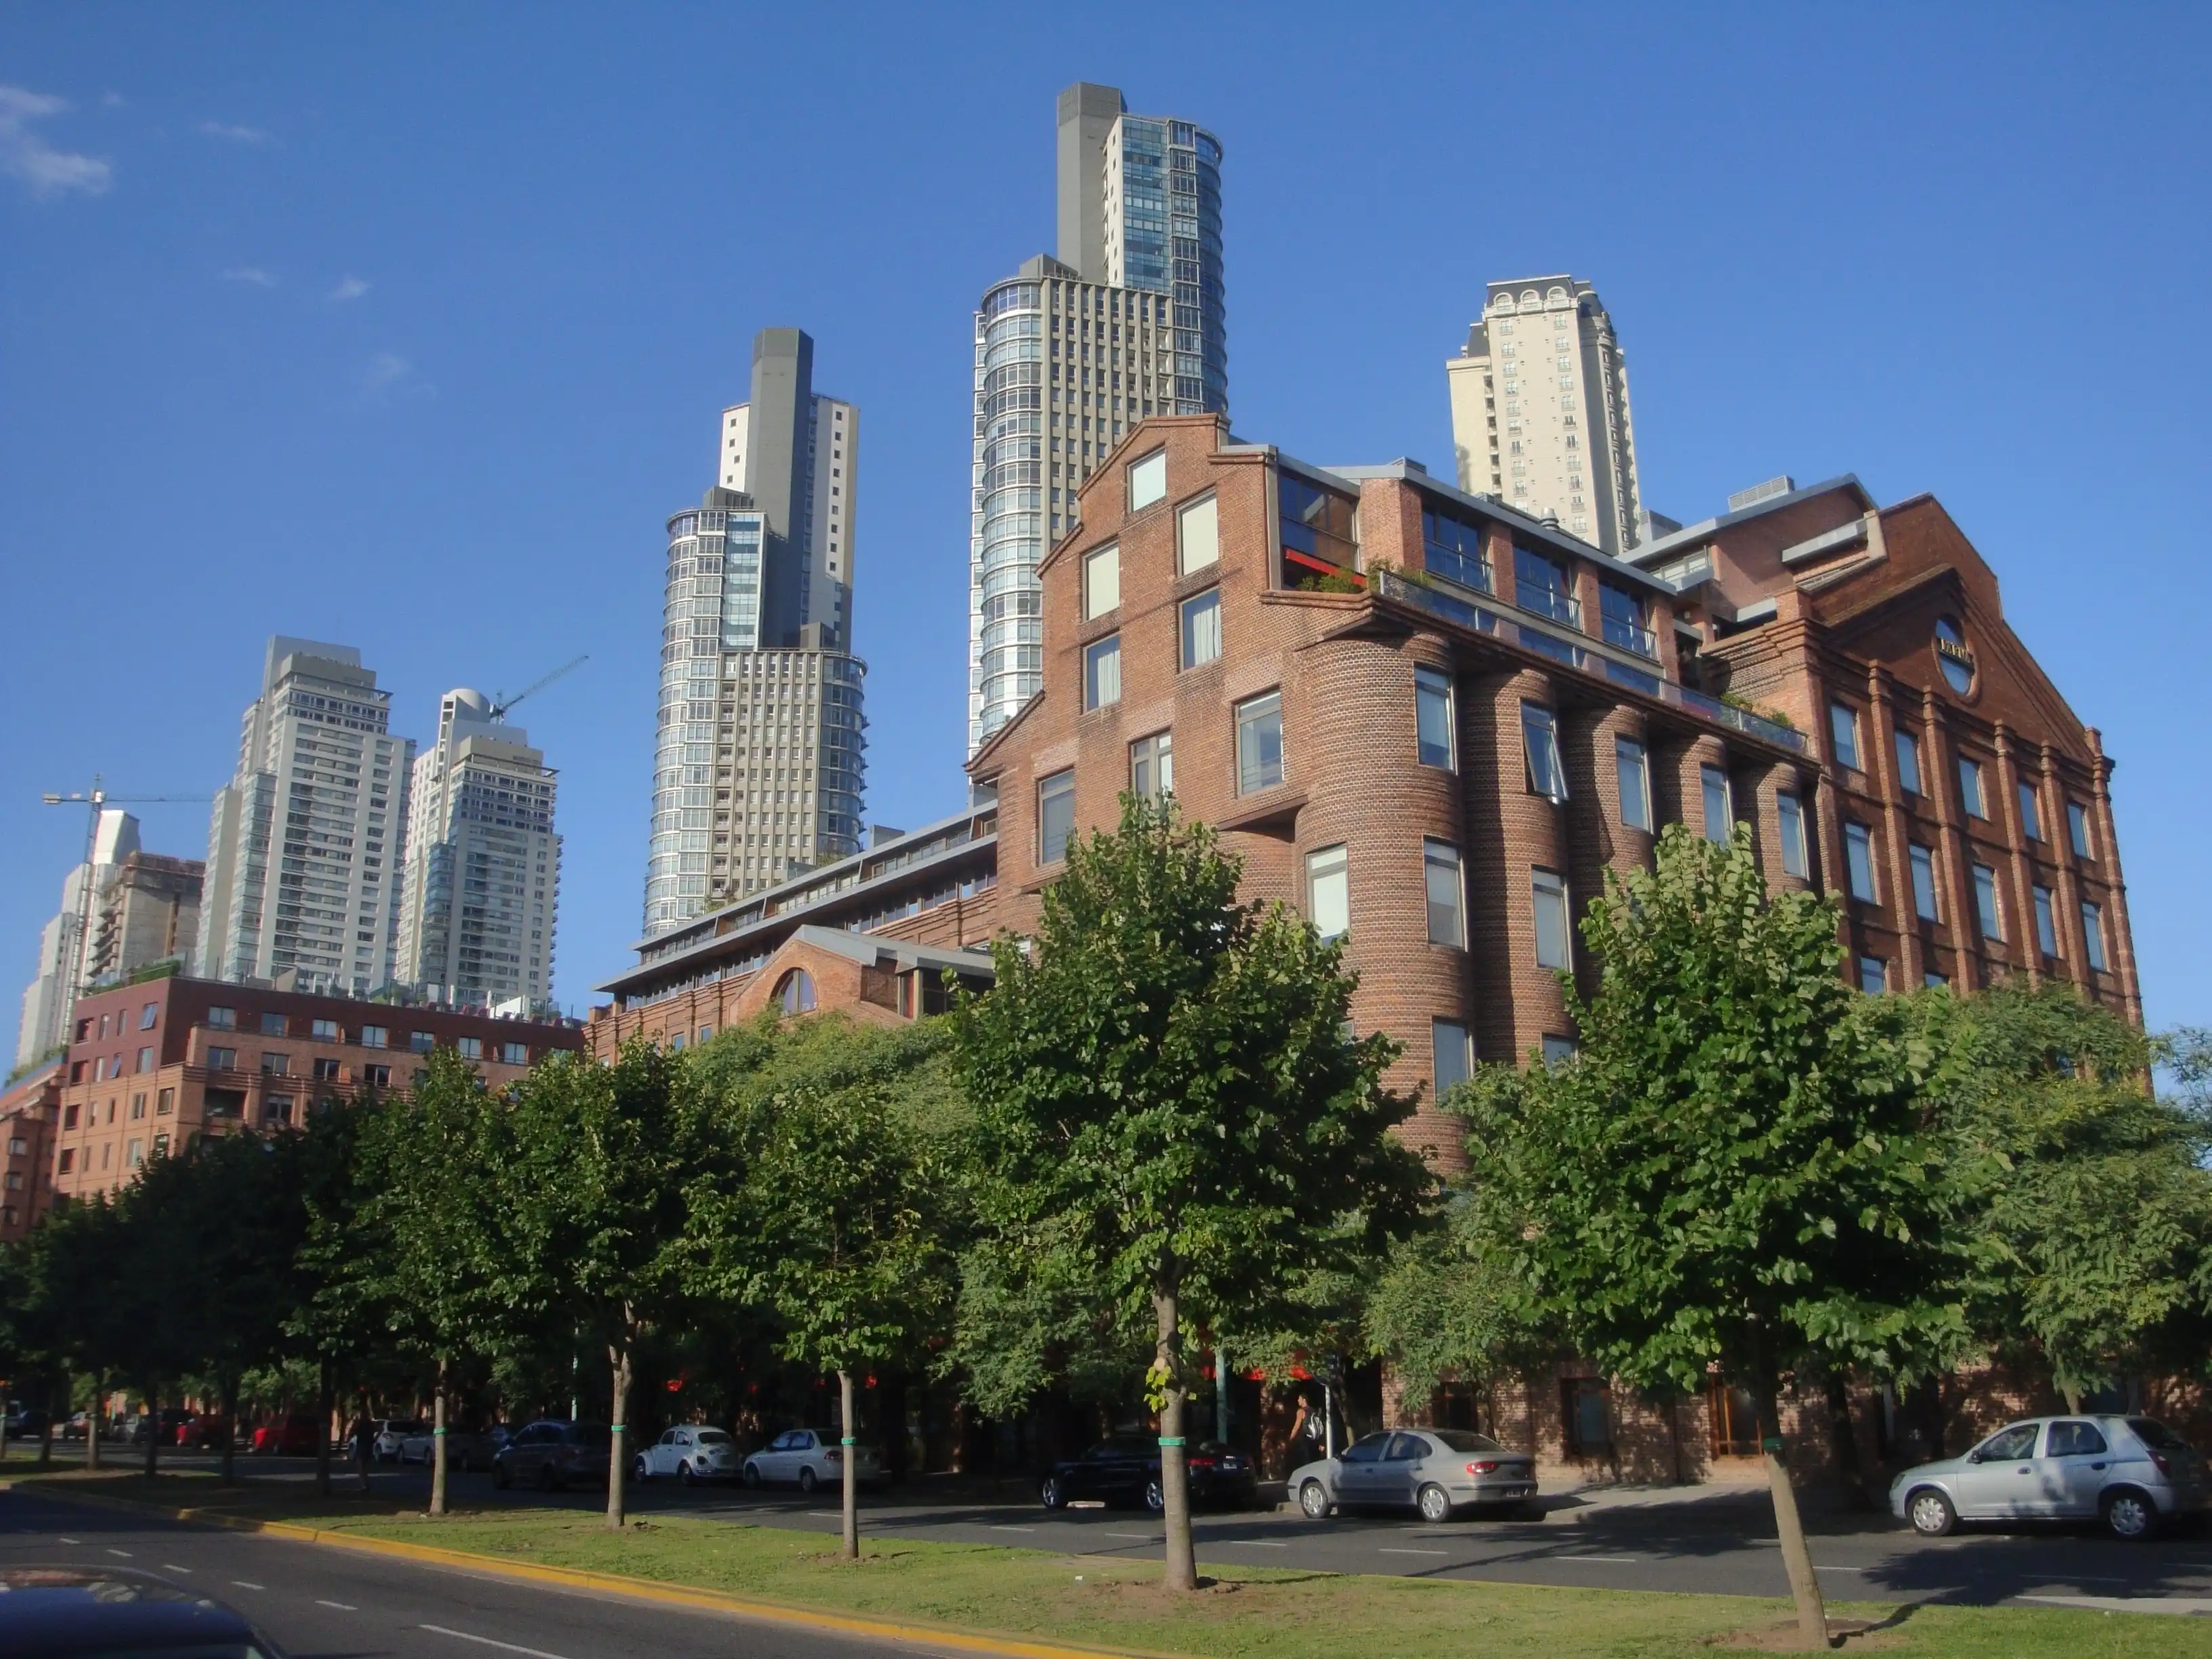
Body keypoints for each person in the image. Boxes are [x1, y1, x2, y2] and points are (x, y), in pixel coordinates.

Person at [350, 1411, 374, 1494]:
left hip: (362, 1445)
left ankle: (363, 1485)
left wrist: (354, 1423)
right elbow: (379, 1430)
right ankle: (366, 1483)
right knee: (365, 1467)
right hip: (369, 1446)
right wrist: (375, 1439)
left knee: (360, 1466)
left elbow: (352, 1433)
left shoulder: (360, 1423)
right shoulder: (371, 1424)